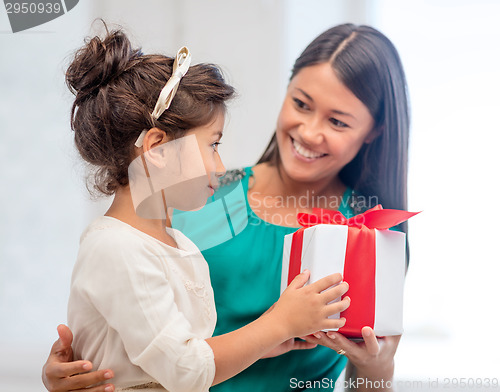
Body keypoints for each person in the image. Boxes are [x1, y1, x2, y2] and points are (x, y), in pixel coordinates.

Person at [43, 23, 410, 392]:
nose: (310, 132)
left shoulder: (368, 237)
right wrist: (76, 370)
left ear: (373, 130)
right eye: (301, 104)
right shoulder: (202, 195)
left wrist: (379, 368)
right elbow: (128, 318)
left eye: (337, 121)